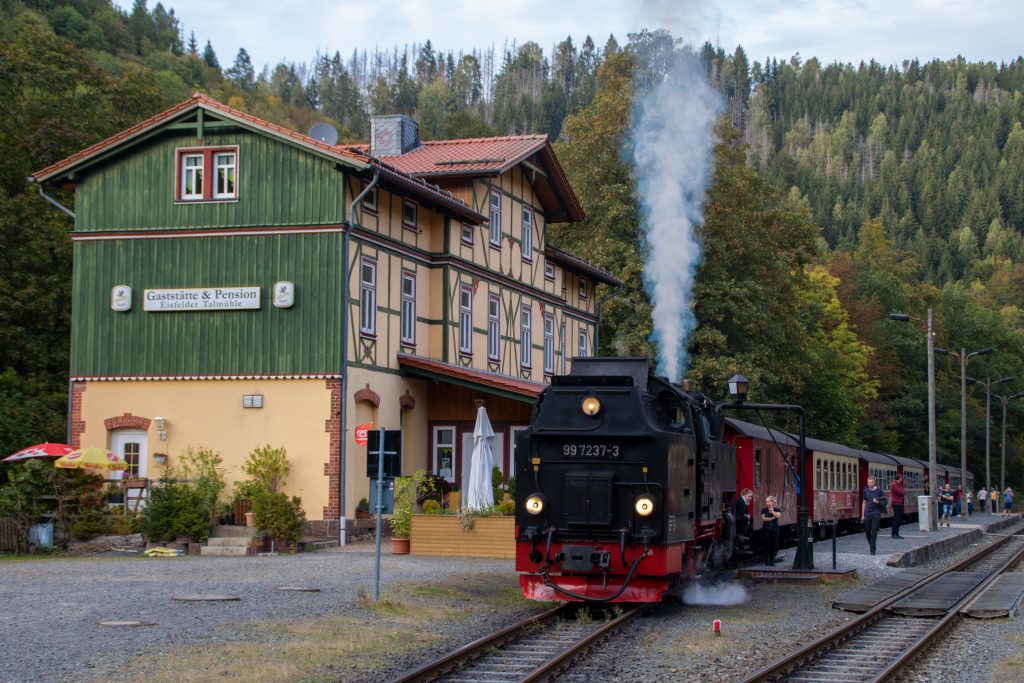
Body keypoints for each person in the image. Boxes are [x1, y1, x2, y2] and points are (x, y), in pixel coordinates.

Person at [862, 477, 886, 555]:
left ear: (874, 482)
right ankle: (871, 544)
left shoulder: (879, 490)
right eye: (868, 482)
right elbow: (864, 502)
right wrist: (862, 515)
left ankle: (873, 549)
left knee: (874, 530)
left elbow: (884, 500)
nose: (869, 484)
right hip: (867, 513)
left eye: (871, 482)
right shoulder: (865, 491)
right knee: (867, 531)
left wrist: (878, 501)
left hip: (876, 513)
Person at [760, 495, 781, 565]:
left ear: (772, 502)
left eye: (768, 502)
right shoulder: (764, 510)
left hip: (775, 530)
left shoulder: (777, 509)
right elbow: (763, 518)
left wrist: (772, 512)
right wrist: (772, 518)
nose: (767, 503)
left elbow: (778, 515)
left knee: (774, 545)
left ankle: (772, 561)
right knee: (767, 545)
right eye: (766, 502)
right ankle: (766, 561)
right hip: (766, 530)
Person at [890, 474, 906, 539]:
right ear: (899, 478)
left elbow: (902, 491)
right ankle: (894, 534)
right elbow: (901, 492)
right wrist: (902, 491)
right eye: (901, 477)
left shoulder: (899, 484)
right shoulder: (894, 484)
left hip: (899, 503)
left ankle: (896, 533)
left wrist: (903, 491)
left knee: (898, 519)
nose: (902, 479)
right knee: (897, 519)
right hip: (896, 503)